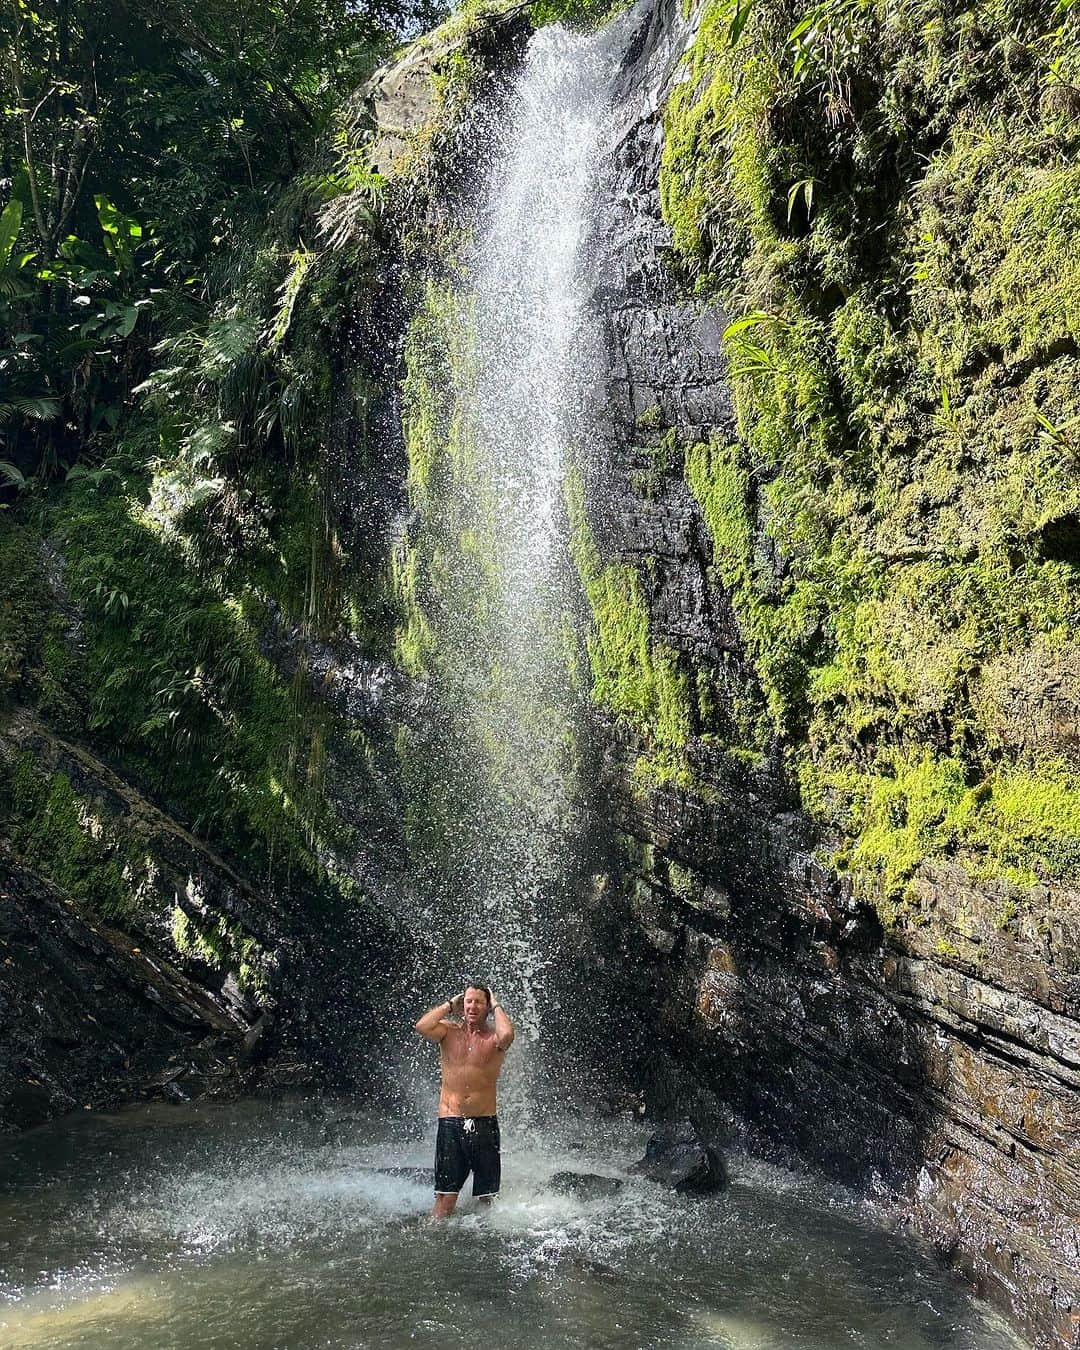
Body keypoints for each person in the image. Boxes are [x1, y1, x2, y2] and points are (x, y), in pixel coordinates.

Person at [413, 983, 515, 1217]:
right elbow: (421, 1026)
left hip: (484, 1123)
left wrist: (496, 1003)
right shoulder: (448, 1032)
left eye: (479, 1002)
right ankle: (434, 1241)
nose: (472, 1006)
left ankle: (485, 1245)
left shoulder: (494, 1038)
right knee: (445, 1198)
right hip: (451, 1121)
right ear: (462, 1005)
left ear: (487, 1007)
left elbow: (507, 1035)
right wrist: (450, 1004)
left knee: (488, 1198)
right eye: (468, 1001)